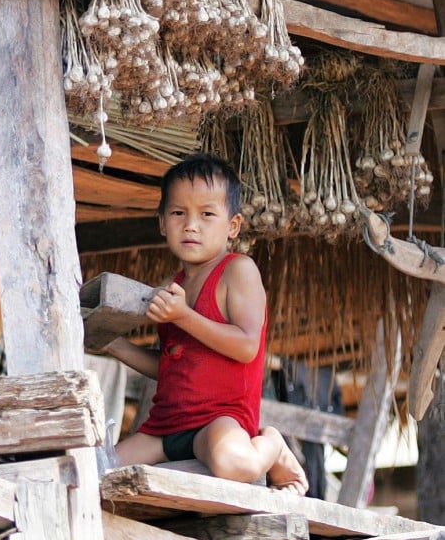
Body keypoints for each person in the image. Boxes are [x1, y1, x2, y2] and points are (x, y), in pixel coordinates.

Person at [97, 153, 308, 494]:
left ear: (232, 226)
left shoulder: (237, 271)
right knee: (99, 472)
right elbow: (170, 364)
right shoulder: (172, 285)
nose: (191, 225)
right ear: (163, 223)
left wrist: (184, 315)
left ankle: (274, 446)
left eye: (207, 214)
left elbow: (246, 346)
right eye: (178, 213)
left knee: (235, 465)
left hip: (218, 421)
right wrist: (114, 345)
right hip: (164, 428)